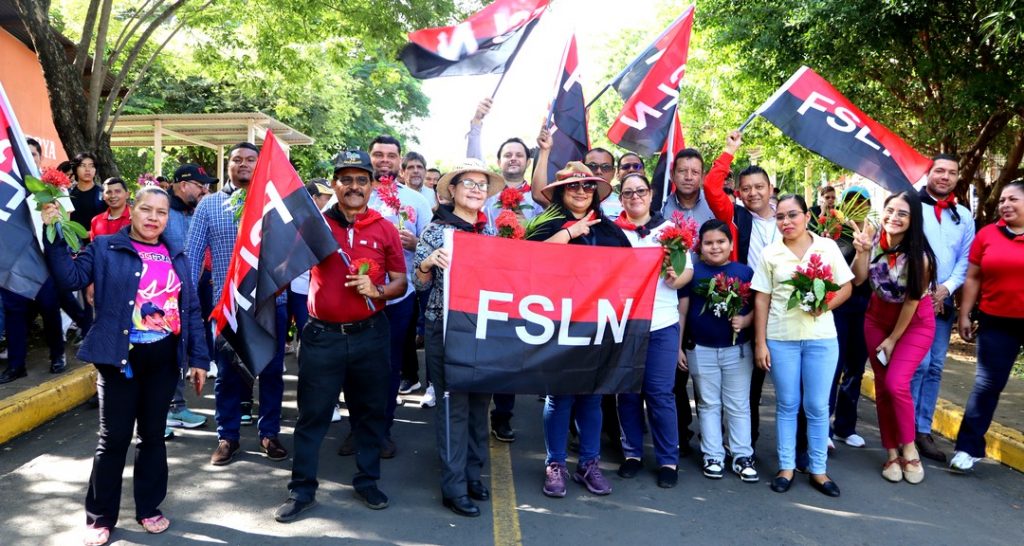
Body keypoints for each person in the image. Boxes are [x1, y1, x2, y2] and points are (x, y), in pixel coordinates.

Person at [41, 187, 208, 546]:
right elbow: (69, 278)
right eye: (146, 210)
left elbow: (191, 309)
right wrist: (52, 231)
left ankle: (149, 508)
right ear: (131, 211)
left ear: (168, 218)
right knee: (113, 439)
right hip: (120, 361)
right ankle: (100, 517)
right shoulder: (104, 247)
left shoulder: (176, 254)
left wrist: (198, 359)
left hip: (163, 361)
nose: (153, 218)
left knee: (152, 438)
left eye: (161, 213)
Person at [274, 149, 407, 522]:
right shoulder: (313, 224)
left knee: (368, 414)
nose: (353, 186)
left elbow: (401, 281)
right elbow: (282, 264)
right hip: (322, 337)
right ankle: (301, 491)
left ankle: (367, 481)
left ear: (372, 186)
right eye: (345, 179)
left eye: (360, 180)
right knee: (312, 416)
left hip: (371, 335)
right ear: (334, 184)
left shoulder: (384, 228)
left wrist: (377, 290)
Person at [529, 162, 631, 498]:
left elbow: (630, 268)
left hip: (598, 323)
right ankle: (555, 464)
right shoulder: (545, 225)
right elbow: (531, 259)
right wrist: (572, 232)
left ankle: (589, 464)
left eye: (588, 186)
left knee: (592, 395)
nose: (581, 191)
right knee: (560, 396)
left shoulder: (609, 230)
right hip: (557, 322)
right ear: (561, 191)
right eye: (574, 186)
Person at [186, 142, 289, 465]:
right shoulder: (208, 206)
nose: (243, 164)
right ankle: (227, 437)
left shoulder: (275, 203)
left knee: (271, 373)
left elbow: (291, 252)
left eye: (250, 160)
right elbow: (191, 256)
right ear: (227, 165)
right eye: (236, 159)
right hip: (227, 305)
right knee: (230, 377)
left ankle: (269, 433)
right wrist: (187, 304)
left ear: (260, 166)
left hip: (271, 302)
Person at [413, 159, 503, 517]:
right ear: (453, 189)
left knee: (480, 404)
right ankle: (454, 485)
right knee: (454, 405)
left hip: (483, 328)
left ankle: (473, 474)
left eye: (482, 185)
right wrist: (427, 263)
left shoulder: (491, 234)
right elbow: (420, 282)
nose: (477, 190)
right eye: (469, 183)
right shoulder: (436, 232)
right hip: (446, 327)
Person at [335, 135, 432, 459]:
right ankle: (356, 428)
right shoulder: (352, 194)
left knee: (387, 367)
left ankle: (382, 429)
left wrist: (415, 243)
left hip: (396, 300)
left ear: (399, 160)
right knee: (353, 366)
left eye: (391, 155)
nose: (385, 160)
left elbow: (433, 249)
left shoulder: (415, 201)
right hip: (353, 299)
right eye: (378, 154)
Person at [752, 194, 853, 497]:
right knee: (787, 404)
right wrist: (760, 343)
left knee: (817, 406)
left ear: (807, 216)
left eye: (792, 215)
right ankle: (786, 467)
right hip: (781, 339)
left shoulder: (827, 247)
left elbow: (846, 286)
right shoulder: (771, 254)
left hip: (821, 339)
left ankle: (819, 470)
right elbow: (762, 298)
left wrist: (826, 305)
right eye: (780, 217)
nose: (786, 222)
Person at [465, 98, 540, 443]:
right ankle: (475, 410)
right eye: (507, 155)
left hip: (523, 287)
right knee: (484, 349)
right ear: (499, 162)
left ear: (527, 162)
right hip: (485, 285)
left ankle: (504, 414)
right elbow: (471, 165)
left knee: (511, 353)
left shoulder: (538, 201)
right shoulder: (485, 195)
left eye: (519, 155)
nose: (513, 159)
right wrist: (476, 125)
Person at [701, 132, 779, 451]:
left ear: (770, 188)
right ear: (739, 193)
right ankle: (740, 443)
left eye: (759, 187)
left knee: (781, 383)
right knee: (748, 383)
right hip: (747, 307)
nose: (753, 193)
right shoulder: (736, 217)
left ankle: (799, 448)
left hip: (785, 308)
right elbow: (710, 187)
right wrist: (729, 150)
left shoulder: (789, 219)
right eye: (746, 189)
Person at [613, 173, 691, 488]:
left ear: (650, 194)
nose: (635, 197)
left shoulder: (669, 231)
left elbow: (687, 273)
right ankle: (632, 454)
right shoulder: (612, 233)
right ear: (620, 198)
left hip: (661, 322)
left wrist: (675, 277)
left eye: (640, 191)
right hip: (623, 324)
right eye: (628, 192)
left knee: (660, 394)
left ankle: (667, 460)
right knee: (627, 393)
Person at [852, 191, 936, 484]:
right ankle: (891, 452)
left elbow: (912, 303)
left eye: (902, 213)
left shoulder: (921, 257)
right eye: (890, 210)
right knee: (883, 386)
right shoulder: (873, 241)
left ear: (913, 220)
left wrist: (892, 339)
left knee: (896, 382)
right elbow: (860, 279)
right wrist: (861, 251)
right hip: (876, 318)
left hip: (914, 323)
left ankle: (909, 448)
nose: (894, 217)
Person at [949, 180, 1024, 473]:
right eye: (1002, 200)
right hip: (996, 321)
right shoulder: (988, 234)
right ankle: (967, 448)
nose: (1005, 204)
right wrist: (964, 314)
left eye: (1013, 199)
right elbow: (973, 277)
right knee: (988, 384)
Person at [680, 219, 758, 483]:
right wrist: (679, 346)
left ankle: (741, 455)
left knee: (738, 405)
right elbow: (682, 310)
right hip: (700, 349)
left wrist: (746, 321)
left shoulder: (744, 272)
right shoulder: (693, 272)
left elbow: (761, 306)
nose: (714, 247)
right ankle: (713, 454)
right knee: (708, 404)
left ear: (731, 244)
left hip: (737, 350)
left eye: (720, 242)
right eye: (708, 243)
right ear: (699, 246)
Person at [913, 154, 975, 462]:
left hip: (944, 303)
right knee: (917, 365)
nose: (945, 176)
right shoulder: (911, 206)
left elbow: (967, 259)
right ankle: (905, 429)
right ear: (929, 174)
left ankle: (923, 430)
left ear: (957, 178)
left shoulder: (963, 215)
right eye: (939, 170)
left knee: (935, 367)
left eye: (951, 172)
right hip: (913, 301)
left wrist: (946, 289)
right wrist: (926, 291)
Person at [164, 163, 215, 432]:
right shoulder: (161, 211)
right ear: (184, 185)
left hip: (189, 297)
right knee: (162, 357)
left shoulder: (193, 211)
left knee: (180, 355)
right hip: (160, 301)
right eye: (200, 184)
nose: (205, 189)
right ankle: (157, 414)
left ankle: (176, 407)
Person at [829, 187, 874, 448]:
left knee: (855, 368)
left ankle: (846, 426)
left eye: (862, 201)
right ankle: (823, 427)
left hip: (864, 306)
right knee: (833, 367)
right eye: (852, 200)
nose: (857, 205)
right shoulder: (833, 232)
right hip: (837, 305)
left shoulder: (876, 233)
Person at [68, 152, 107, 241]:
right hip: (73, 245)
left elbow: (109, 222)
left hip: (97, 244)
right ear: (76, 169)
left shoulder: (103, 195)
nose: (87, 169)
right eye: (83, 165)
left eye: (91, 166)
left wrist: (88, 234)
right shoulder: (67, 195)